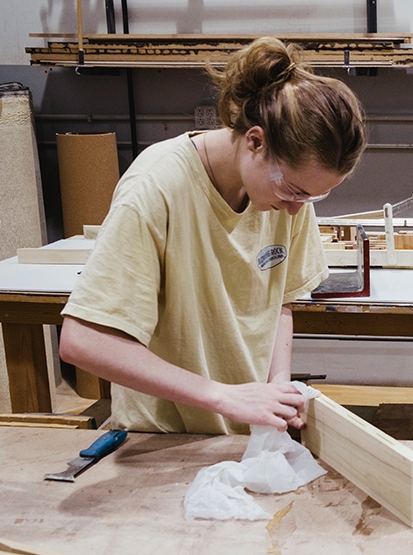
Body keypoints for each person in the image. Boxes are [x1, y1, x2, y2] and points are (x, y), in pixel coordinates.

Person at [58, 37, 367, 434]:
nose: (296, 208)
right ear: (256, 141)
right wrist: (225, 396)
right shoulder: (157, 187)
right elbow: (83, 341)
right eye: (294, 191)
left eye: (313, 196)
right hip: (161, 441)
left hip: (243, 435)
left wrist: (277, 383)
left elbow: (281, 300)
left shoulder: (287, 195)